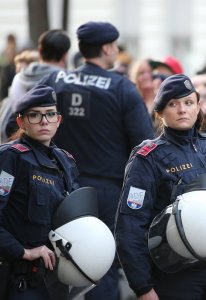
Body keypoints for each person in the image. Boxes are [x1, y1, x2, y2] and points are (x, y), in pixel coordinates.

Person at [115, 74, 206, 300]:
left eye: (188, 103)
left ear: (198, 107)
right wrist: (142, 286)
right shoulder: (147, 158)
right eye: (173, 104)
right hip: (177, 276)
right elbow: (130, 225)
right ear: (160, 113)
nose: (182, 110)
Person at [39, 21, 154, 300]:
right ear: (106, 48)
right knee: (100, 266)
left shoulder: (55, 82)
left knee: (54, 261)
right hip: (105, 193)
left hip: (56, 188)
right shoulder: (122, 88)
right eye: (114, 45)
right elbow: (144, 146)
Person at [0, 85, 79, 299]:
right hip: (19, 280)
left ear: (58, 120)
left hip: (56, 279)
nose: (44, 121)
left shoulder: (66, 160)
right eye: (34, 115)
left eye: (50, 114)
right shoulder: (10, 158)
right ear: (21, 122)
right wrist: (23, 252)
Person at [3, 29, 71, 139]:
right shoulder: (63, 81)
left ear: (39, 52)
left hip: (18, 142)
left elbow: (8, 120)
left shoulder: (19, 77)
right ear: (65, 56)